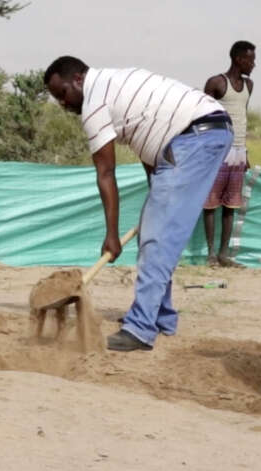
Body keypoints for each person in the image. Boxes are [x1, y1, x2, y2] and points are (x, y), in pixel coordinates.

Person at [44, 56, 232, 352]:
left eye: (63, 94)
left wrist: (111, 236)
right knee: (154, 233)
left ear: (78, 79)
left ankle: (141, 329)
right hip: (200, 132)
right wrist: (156, 196)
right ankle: (160, 316)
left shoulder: (94, 102)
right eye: (57, 99)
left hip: (194, 136)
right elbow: (151, 147)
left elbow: (105, 173)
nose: (63, 104)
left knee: (157, 237)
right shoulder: (113, 85)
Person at [201, 41, 255, 267]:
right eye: (250, 59)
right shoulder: (216, 83)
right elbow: (202, 115)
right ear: (238, 59)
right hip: (218, 150)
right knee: (211, 203)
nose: (254, 64)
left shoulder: (249, 85)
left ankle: (224, 254)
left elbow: (242, 116)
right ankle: (211, 254)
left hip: (239, 152)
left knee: (231, 204)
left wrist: (246, 154)